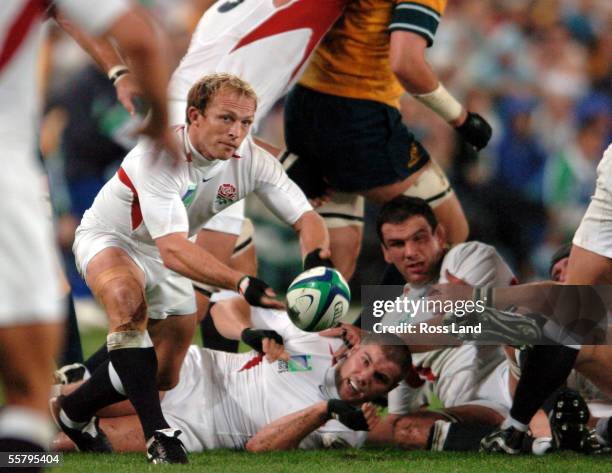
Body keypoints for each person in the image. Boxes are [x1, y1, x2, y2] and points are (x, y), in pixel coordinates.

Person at [52, 73, 330, 464]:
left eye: (246, 123)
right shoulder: (159, 154)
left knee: (164, 374)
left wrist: (318, 263)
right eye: (227, 119)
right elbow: (173, 250)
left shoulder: (250, 161)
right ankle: (159, 435)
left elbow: (306, 217)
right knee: (125, 300)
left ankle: (72, 410)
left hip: (171, 253)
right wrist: (242, 281)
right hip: (113, 239)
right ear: (194, 116)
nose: (238, 132)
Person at [0, 0, 174, 464]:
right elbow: (137, 34)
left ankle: (71, 376)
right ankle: (35, 440)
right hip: (6, 171)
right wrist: (160, 126)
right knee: (28, 386)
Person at [283, 0, 493, 278]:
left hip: (304, 103)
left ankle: (318, 321)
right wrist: (463, 119)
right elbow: (406, 63)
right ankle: (377, 322)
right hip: (358, 113)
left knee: (333, 268)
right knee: (447, 236)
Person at [53, 295, 409, 453]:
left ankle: (12, 457)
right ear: (352, 350)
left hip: (196, 429)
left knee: (72, 444)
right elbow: (226, 304)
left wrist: (323, 410)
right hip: (189, 376)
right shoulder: (314, 340)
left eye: (380, 378)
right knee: (56, 407)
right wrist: (246, 333)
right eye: (366, 361)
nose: (366, 376)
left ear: (386, 391)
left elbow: (259, 446)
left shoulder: (347, 429)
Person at [328, 196, 516, 451]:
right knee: (409, 429)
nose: (411, 253)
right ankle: (525, 439)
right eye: (397, 243)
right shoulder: (393, 318)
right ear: (385, 252)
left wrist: (381, 341)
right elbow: (397, 418)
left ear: (439, 234)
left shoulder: (469, 256)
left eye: (419, 238)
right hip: (476, 411)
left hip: (517, 381)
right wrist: (330, 431)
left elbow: (458, 327)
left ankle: (532, 433)